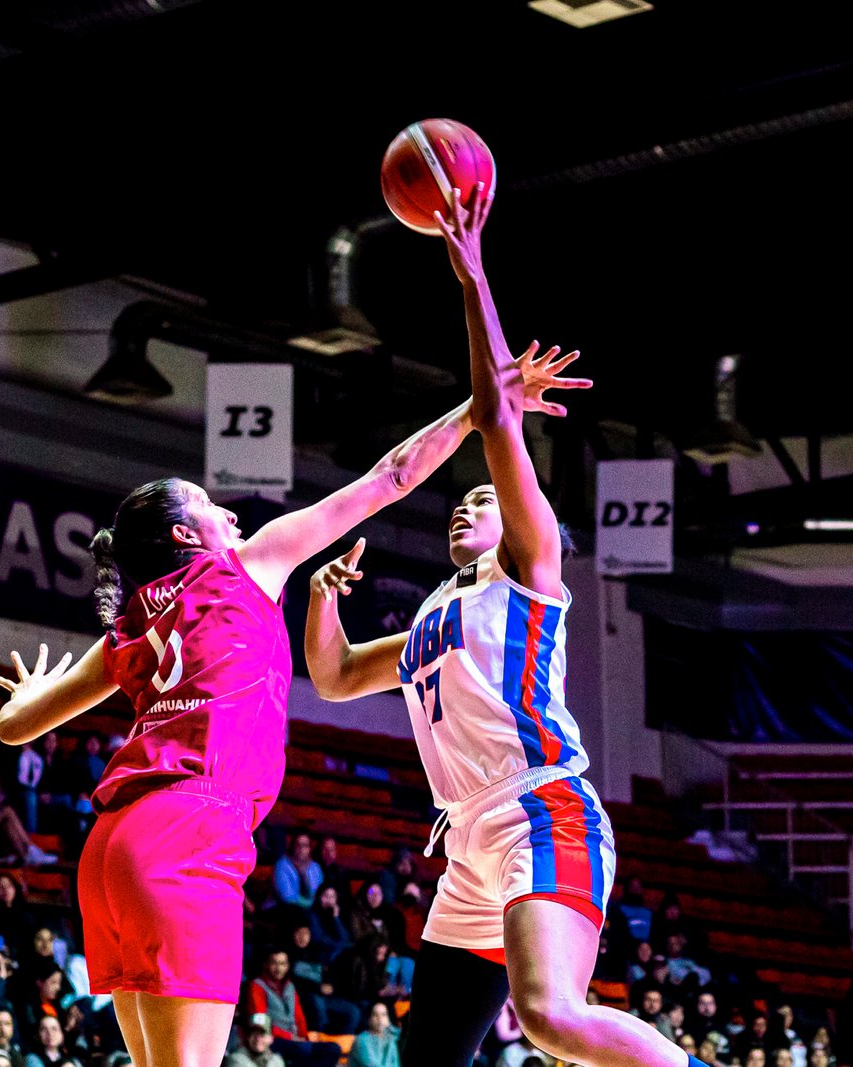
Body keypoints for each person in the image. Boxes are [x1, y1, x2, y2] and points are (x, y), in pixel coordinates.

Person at [304, 181, 705, 1067]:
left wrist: (471, 272)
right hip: (468, 841)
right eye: (465, 501)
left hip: (540, 809)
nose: (466, 507)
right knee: (429, 1057)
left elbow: (494, 417)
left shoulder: (531, 573)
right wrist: (322, 596)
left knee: (552, 1019)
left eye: (485, 498)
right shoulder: (429, 620)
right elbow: (331, 677)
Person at [0, 378, 499, 1066]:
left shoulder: (130, 624)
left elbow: (14, 727)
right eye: (209, 507)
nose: (229, 515)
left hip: (111, 847)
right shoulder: (244, 565)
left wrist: (26, 693)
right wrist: (475, 413)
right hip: (188, 829)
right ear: (184, 534)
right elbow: (392, 476)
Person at [271, 831, 322, 911]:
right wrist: (312, 904)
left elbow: (320, 892)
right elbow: (288, 897)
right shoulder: (282, 865)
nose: (301, 849)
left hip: (313, 910)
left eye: (305, 845)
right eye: (298, 845)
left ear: (310, 848)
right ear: (293, 846)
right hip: (286, 910)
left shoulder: (315, 867)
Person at [350, 1002, 402, 1067]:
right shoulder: (361, 1040)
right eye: (375, 1015)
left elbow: (395, 1064)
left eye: (384, 1014)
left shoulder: (390, 1038)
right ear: (368, 1019)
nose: (380, 1019)